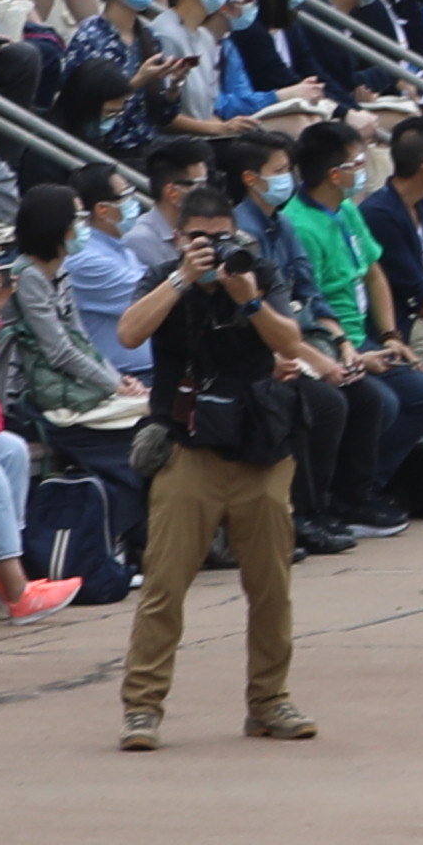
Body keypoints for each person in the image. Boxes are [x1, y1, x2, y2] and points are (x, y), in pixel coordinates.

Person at [108, 173, 321, 750]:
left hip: (261, 450)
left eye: (222, 237)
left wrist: (245, 295)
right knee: (165, 586)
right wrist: (183, 279)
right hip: (189, 450)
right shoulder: (163, 279)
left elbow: (287, 342)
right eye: (199, 238)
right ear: (178, 239)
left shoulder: (257, 272)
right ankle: (142, 709)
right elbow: (128, 334)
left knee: (271, 587)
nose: (212, 247)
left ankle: (269, 701)